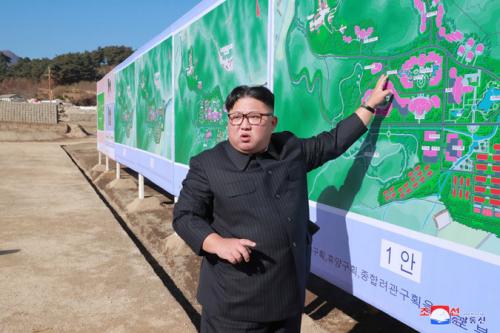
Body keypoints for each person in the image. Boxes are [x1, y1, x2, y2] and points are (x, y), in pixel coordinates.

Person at [173, 75, 392, 332]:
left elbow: (332, 142)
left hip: (288, 299)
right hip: (235, 307)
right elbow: (185, 216)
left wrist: (370, 105)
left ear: (272, 122)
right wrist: (217, 243)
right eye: (236, 117)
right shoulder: (209, 165)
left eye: (254, 117)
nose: (244, 126)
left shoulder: (290, 149)